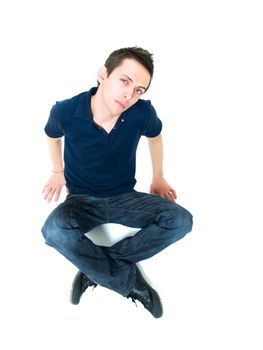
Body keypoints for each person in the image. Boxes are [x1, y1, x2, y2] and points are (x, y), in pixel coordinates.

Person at [41, 47, 193, 319]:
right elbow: (52, 136)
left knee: (181, 221)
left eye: (139, 90)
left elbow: (155, 136)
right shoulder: (65, 111)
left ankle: (93, 268)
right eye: (125, 81)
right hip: (81, 200)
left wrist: (158, 176)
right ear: (103, 74)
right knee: (53, 231)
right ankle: (127, 281)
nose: (130, 94)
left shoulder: (141, 113)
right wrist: (57, 171)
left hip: (125, 197)